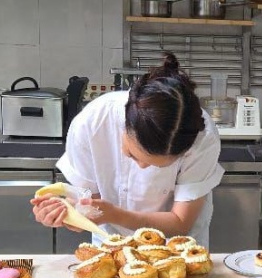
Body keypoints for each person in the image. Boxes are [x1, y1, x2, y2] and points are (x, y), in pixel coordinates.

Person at [30, 53, 224, 246]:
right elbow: (91, 209)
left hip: (177, 248)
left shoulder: (201, 135)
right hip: (110, 244)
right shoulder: (92, 123)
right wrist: (71, 214)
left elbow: (180, 222)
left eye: (158, 166)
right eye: (132, 154)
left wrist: (115, 214)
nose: (142, 167)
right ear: (125, 123)